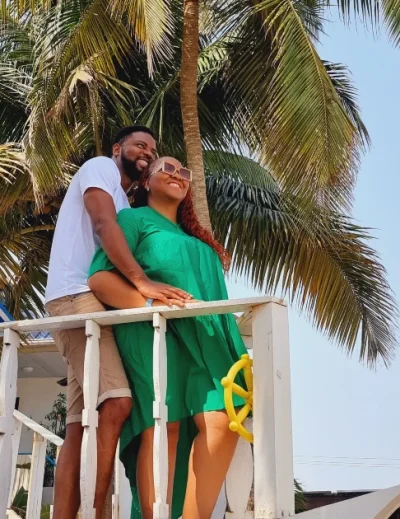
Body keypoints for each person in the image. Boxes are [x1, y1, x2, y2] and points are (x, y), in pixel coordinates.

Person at [88, 157, 248, 519]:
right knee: (166, 425)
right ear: (145, 182)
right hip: (151, 330)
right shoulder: (132, 220)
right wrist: (149, 301)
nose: (177, 175)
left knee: (223, 419)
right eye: (167, 169)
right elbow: (100, 278)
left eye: (183, 172)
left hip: (205, 334)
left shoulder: (196, 238)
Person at [45, 129, 192, 519]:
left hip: (91, 302)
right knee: (117, 402)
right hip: (77, 299)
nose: (147, 152)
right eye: (140, 145)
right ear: (117, 149)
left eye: (152, 149)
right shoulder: (99, 169)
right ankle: (97, 513)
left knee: (79, 422)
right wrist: (142, 282)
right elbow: (102, 223)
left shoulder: (126, 200)